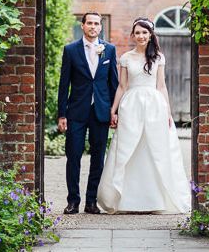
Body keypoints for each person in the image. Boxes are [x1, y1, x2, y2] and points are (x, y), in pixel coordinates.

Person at [98, 17, 191, 214]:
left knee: (154, 148)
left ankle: (154, 199)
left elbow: (162, 86)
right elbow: (122, 86)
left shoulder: (158, 57)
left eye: (144, 33)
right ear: (133, 35)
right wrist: (113, 110)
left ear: (150, 35)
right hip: (131, 105)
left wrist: (167, 111)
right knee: (127, 147)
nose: (141, 36)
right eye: (137, 33)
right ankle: (125, 199)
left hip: (154, 105)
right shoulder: (125, 58)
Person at [57, 12, 119, 214]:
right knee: (73, 156)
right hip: (76, 111)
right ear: (82, 25)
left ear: (100, 27)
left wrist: (114, 111)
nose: (93, 26)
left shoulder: (109, 50)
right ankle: (73, 201)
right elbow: (63, 84)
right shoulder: (70, 50)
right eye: (89, 23)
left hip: (100, 111)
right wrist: (62, 114)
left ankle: (91, 201)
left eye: (97, 23)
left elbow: (113, 83)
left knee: (98, 157)